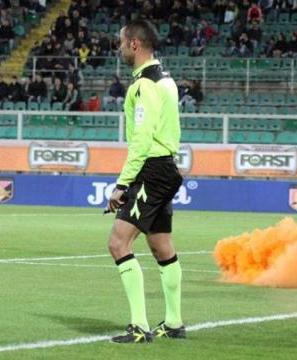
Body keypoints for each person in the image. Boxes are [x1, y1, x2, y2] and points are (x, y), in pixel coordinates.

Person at [105, 20, 184, 344]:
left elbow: (142, 138)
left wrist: (122, 184)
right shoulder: (166, 80)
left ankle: (139, 325)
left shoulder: (144, 86)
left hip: (151, 169)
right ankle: (175, 322)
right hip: (166, 167)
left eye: (122, 42)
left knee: (118, 242)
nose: (119, 48)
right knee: (160, 243)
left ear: (135, 44)